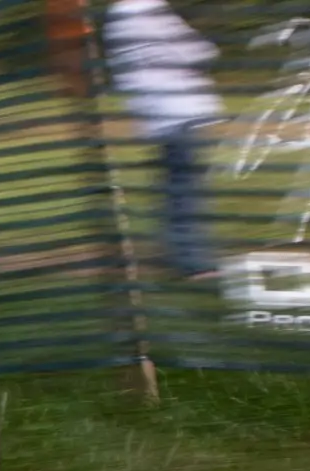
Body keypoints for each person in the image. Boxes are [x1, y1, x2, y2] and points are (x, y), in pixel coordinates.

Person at [103, 0, 223, 281]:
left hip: (156, 109)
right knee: (183, 188)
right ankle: (192, 262)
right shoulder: (145, 9)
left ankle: (181, 252)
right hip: (178, 108)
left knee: (176, 183)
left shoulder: (118, 16)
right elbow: (194, 50)